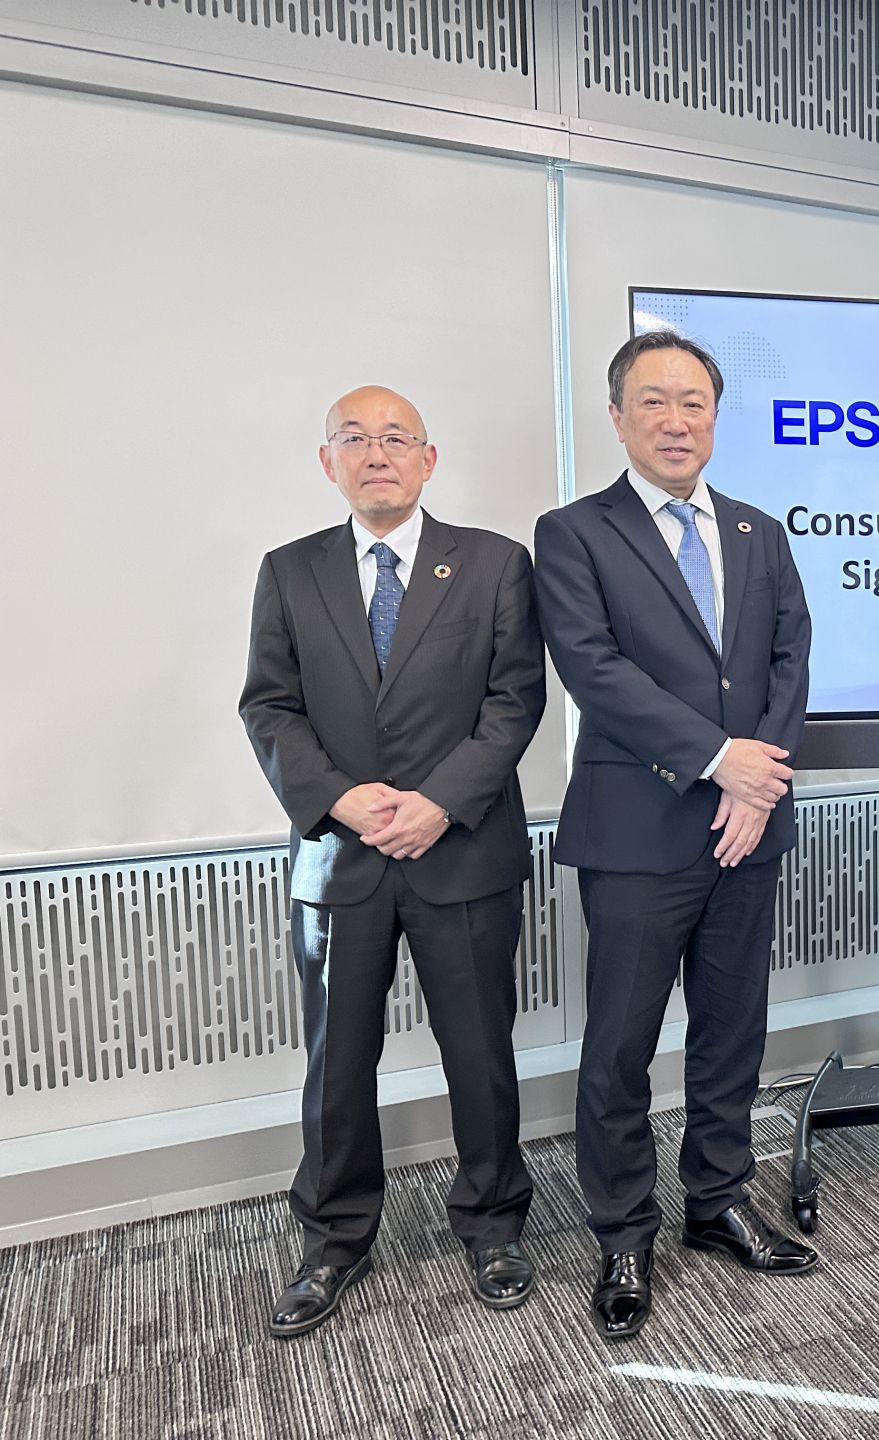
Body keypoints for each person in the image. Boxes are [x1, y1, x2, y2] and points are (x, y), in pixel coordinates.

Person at [239, 386, 547, 1337]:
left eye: (396, 439)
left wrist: (439, 803)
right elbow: (269, 706)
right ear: (325, 461)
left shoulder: (495, 564)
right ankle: (334, 1240)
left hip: (460, 854)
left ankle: (494, 1224)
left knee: (480, 1054)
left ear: (429, 458)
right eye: (354, 439)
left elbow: (514, 701)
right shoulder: (289, 572)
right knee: (338, 1065)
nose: (377, 453)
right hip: (340, 859)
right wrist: (336, 796)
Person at [533, 331, 814, 1341]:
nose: (675, 419)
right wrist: (716, 760)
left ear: (714, 416)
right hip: (639, 827)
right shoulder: (573, 533)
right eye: (653, 401)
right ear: (617, 417)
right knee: (620, 1046)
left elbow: (790, 659)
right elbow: (594, 670)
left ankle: (720, 1199)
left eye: (693, 402)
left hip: (749, 829)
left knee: (732, 1029)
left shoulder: (758, 532)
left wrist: (758, 780)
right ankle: (621, 1229)